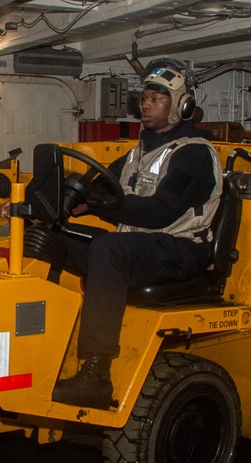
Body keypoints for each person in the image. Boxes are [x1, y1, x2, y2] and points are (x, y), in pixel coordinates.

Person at [52, 59, 223, 409]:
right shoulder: (138, 152)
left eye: (156, 98)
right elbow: (99, 187)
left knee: (109, 250)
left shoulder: (194, 154)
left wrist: (98, 205)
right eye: (144, 98)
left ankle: (96, 374)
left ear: (181, 107)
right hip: (140, 245)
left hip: (180, 249)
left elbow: (161, 212)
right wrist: (63, 202)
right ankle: (46, 345)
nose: (145, 104)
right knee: (54, 236)